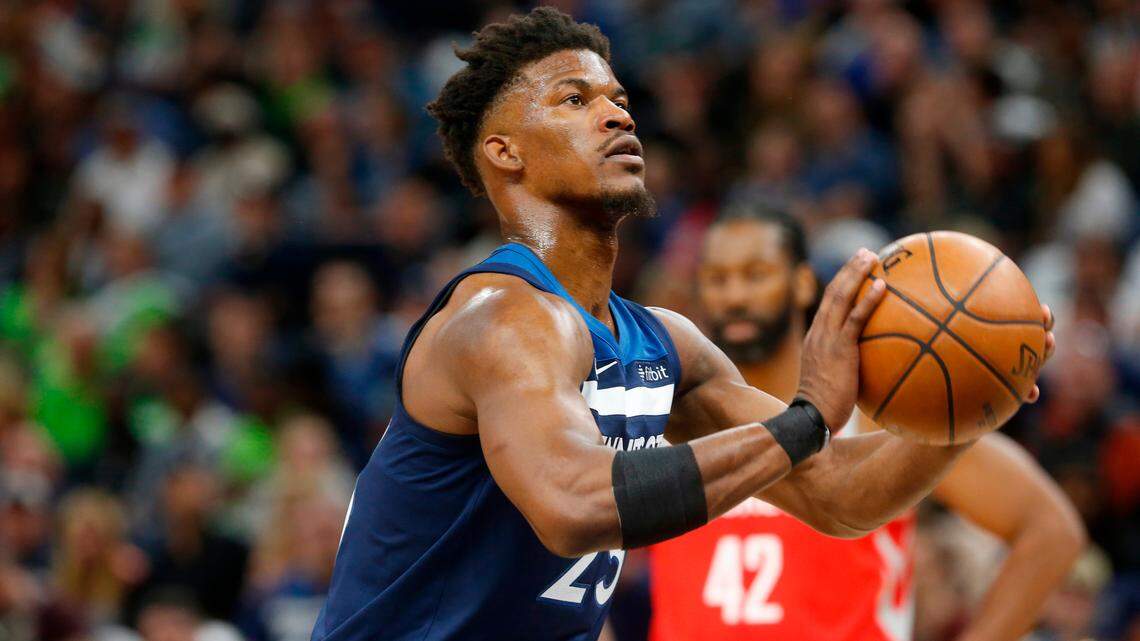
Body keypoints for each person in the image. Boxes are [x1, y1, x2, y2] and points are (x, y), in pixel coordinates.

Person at [308, 8, 1055, 641]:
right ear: (504, 152)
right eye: (574, 100)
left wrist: (971, 393)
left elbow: (836, 496)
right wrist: (804, 419)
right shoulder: (502, 317)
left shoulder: (663, 344)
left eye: (619, 97)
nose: (616, 112)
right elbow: (574, 504)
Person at [648, 206, 1084, 641]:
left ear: (803, 283)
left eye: (755, 274)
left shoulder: (880, 414)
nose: (735, 296)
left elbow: (1050, 531)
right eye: (717, 279)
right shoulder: (669, 416)